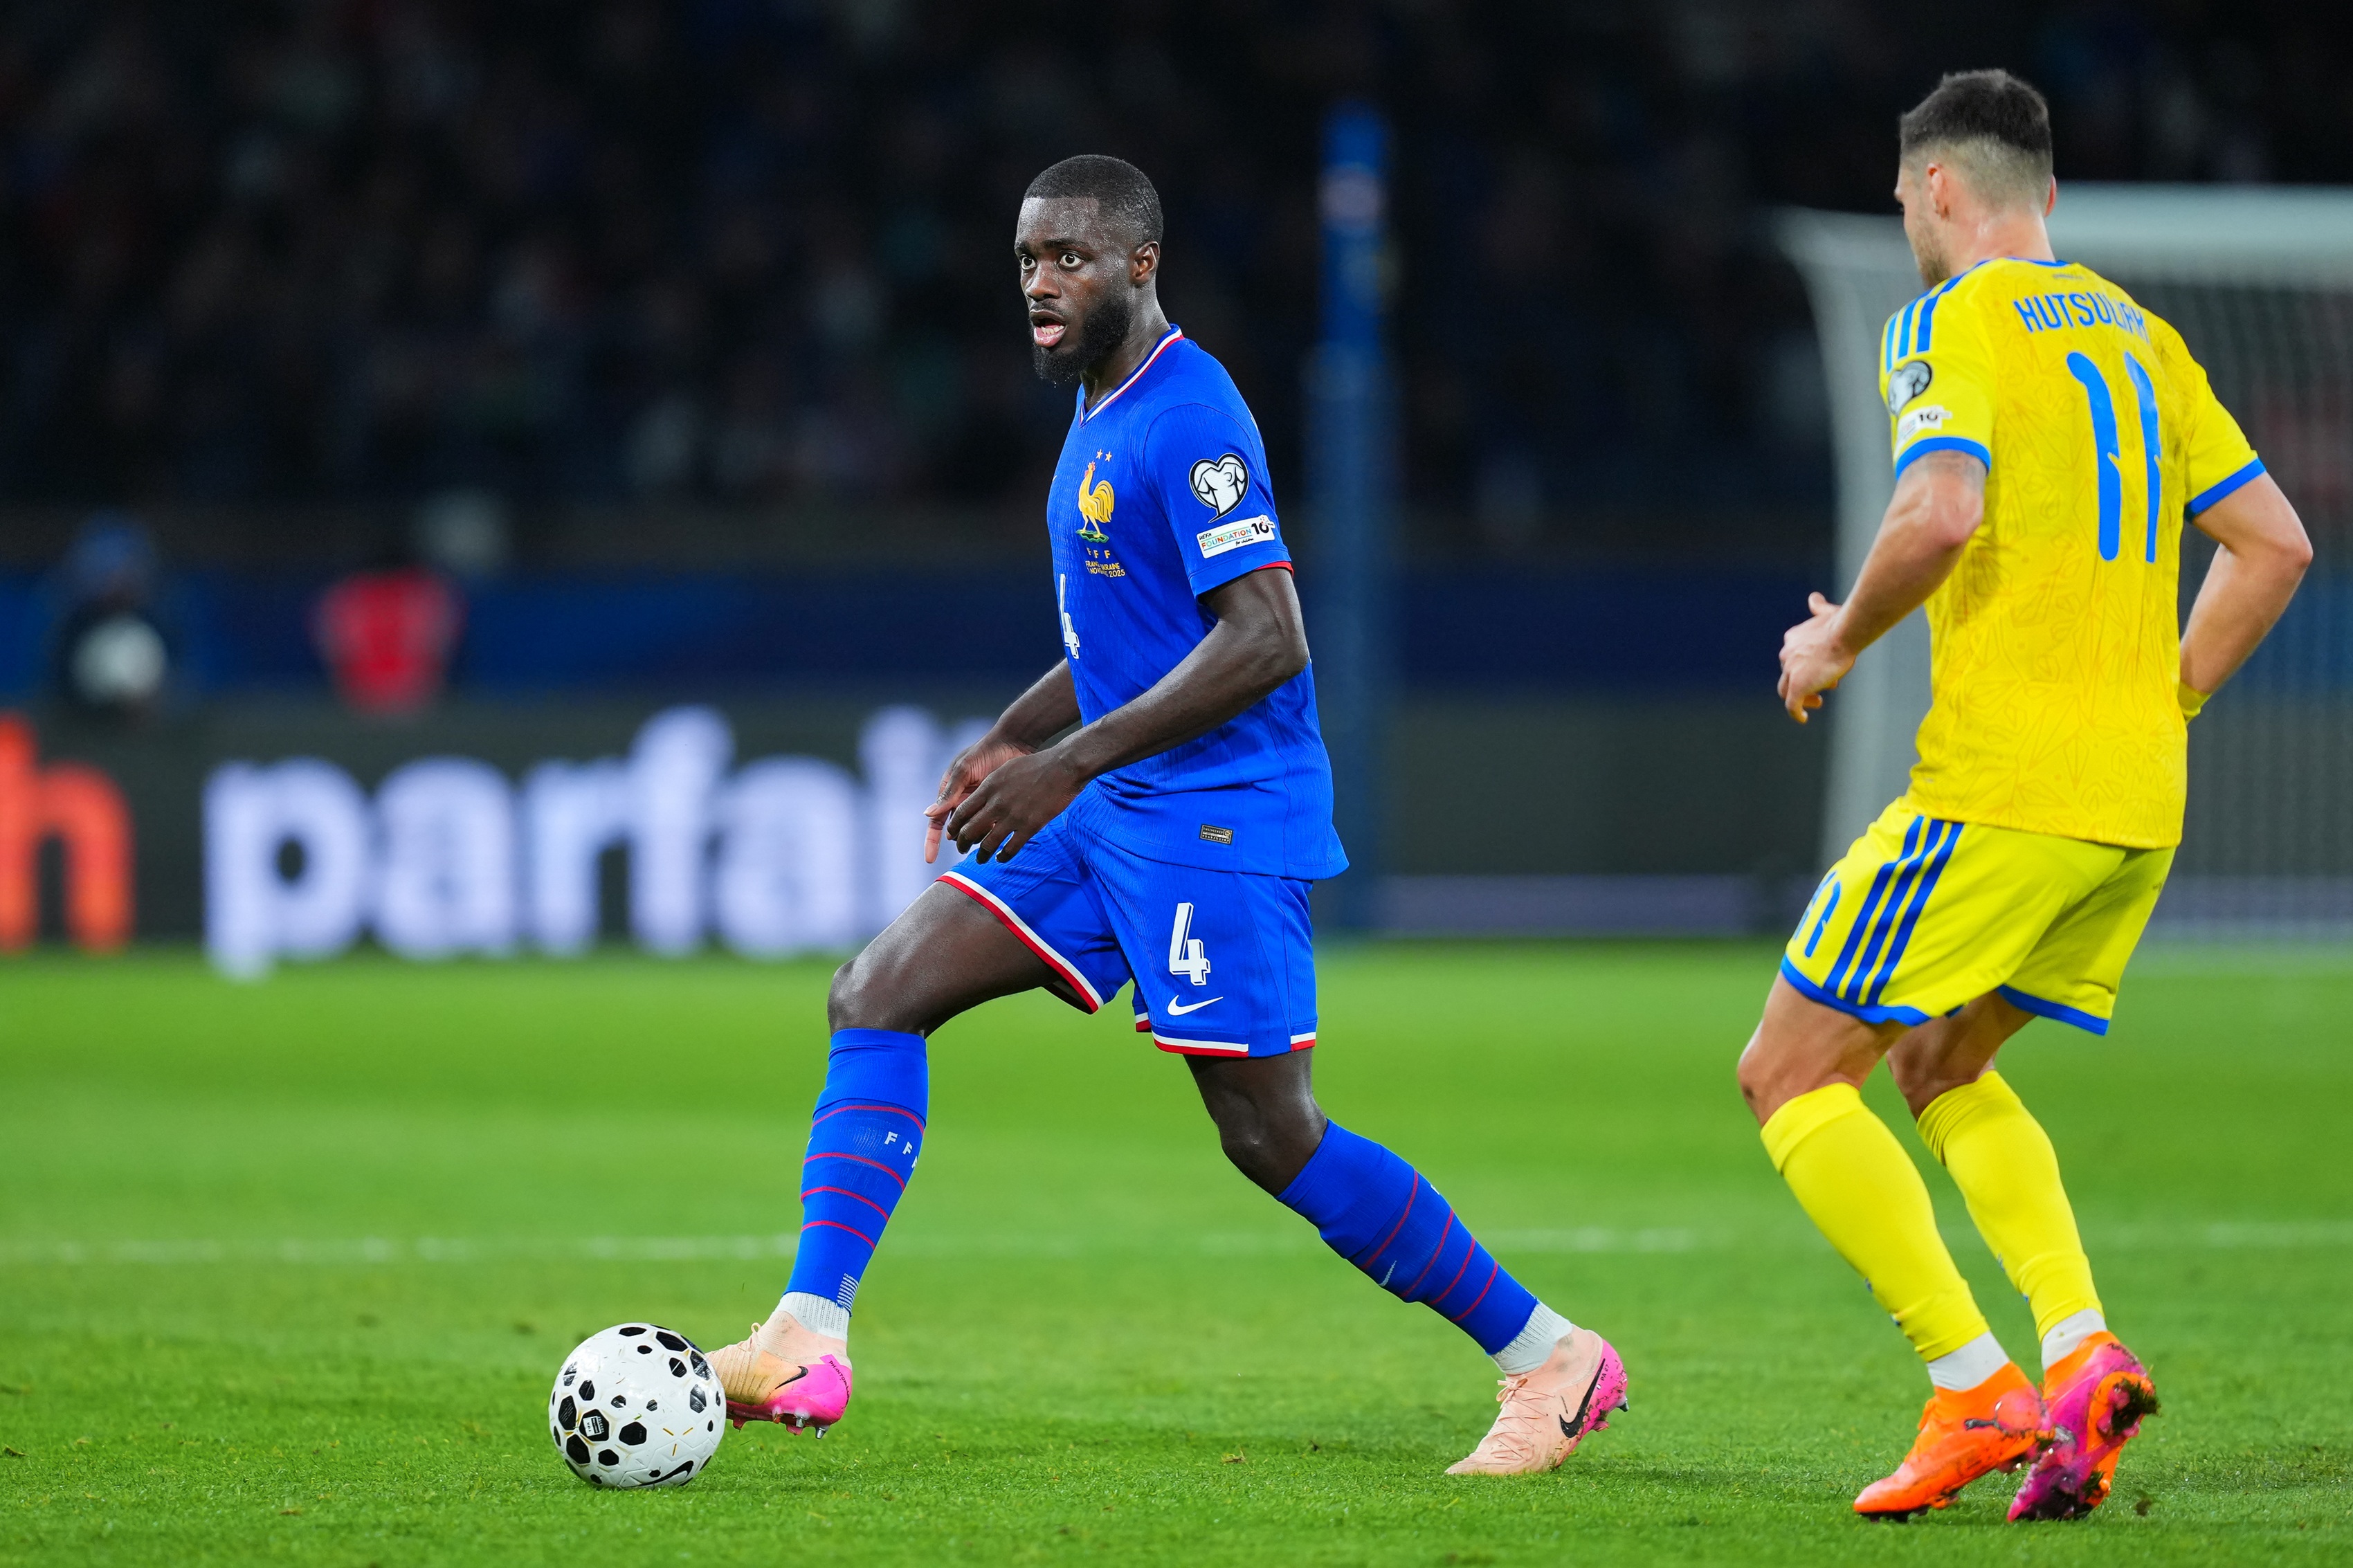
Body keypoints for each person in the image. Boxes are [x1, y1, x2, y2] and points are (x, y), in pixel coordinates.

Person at [709, 155, 1626, 1476]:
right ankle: (808, 1332)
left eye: (1071, 258)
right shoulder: (1100, 408)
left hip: (1216, 819)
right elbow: (1134, 635)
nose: (1040, 281)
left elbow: (1267, 638)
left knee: (1270, 1135)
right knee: (877, 989)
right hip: (1118, 797)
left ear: (1141, 265)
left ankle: (1550, 1356)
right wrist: (1019, 738)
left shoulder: (1189, 416)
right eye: (1027, 256)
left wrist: (1066, 761)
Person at [1740, 70, 2310, 1521]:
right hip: (2132, 805)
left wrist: (1833, 636)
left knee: (1790, 1072)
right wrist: (2163, 696)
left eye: (1899, 199)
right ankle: (2076, 1350)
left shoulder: (1945, 319)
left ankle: (1968, 1385)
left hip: (1999, 786)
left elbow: (1937, 509)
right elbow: (2271, 547)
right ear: (2043, 194)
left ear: (1938, 189)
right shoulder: (2139, 332)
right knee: (1939, 1061)